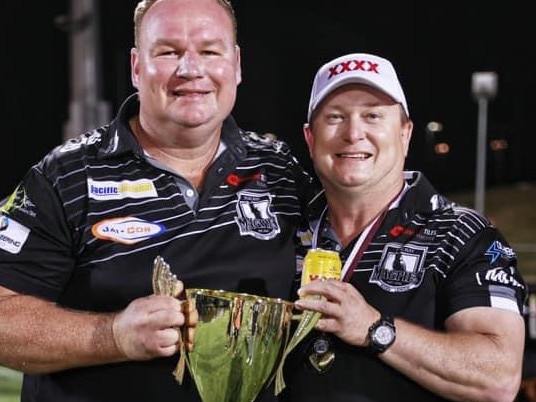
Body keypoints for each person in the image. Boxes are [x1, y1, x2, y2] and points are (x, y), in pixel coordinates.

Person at [0, 0, 312, 401]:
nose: (190, 69)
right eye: (168, 51)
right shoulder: (66, 176)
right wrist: (112, 336)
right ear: (135, 66)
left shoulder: (281, 171)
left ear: (236, 64)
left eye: (209, 51)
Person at [281, 52, 528, 402]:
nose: (354, 133)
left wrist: (375, 329)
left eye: (373, 116)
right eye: (335, 117)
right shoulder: (278, 229)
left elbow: (498, 378)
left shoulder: (461, 234)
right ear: (310, 138)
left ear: (404, 133)